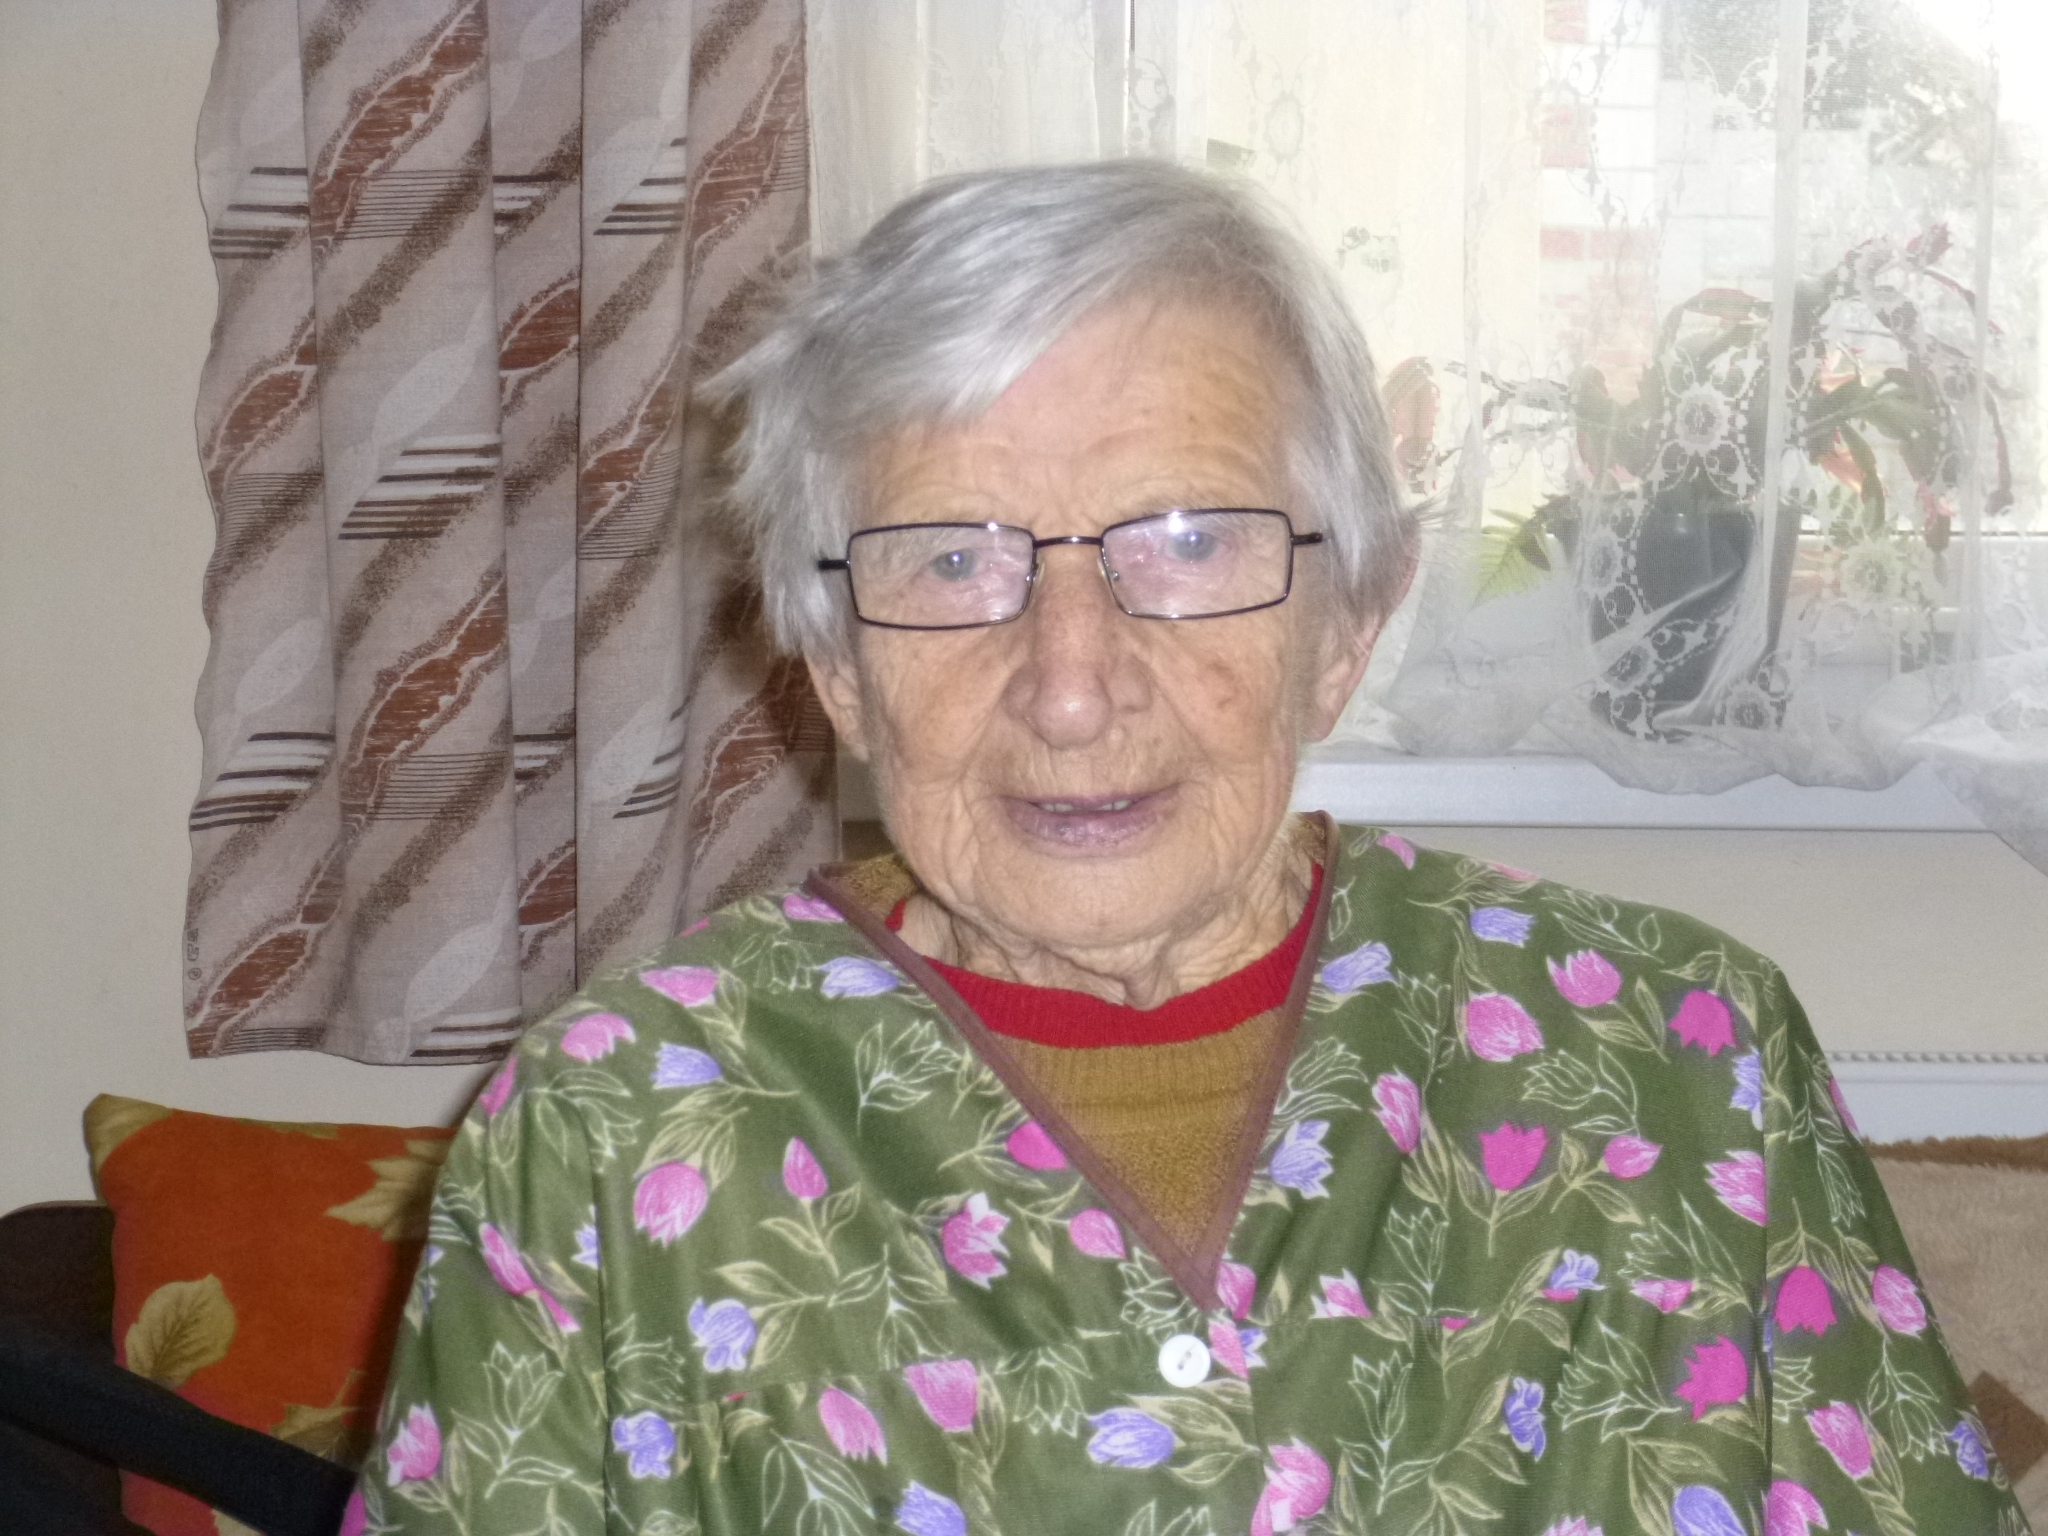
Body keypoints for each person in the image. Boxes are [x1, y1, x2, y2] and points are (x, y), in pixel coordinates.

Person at [350, 162, 2023, 1536]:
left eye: (1188, 543)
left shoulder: (1680, 1060)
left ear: (1347, 627)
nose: (1072, 684)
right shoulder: (608, 1126)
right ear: (838, 669)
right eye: (952, 563)